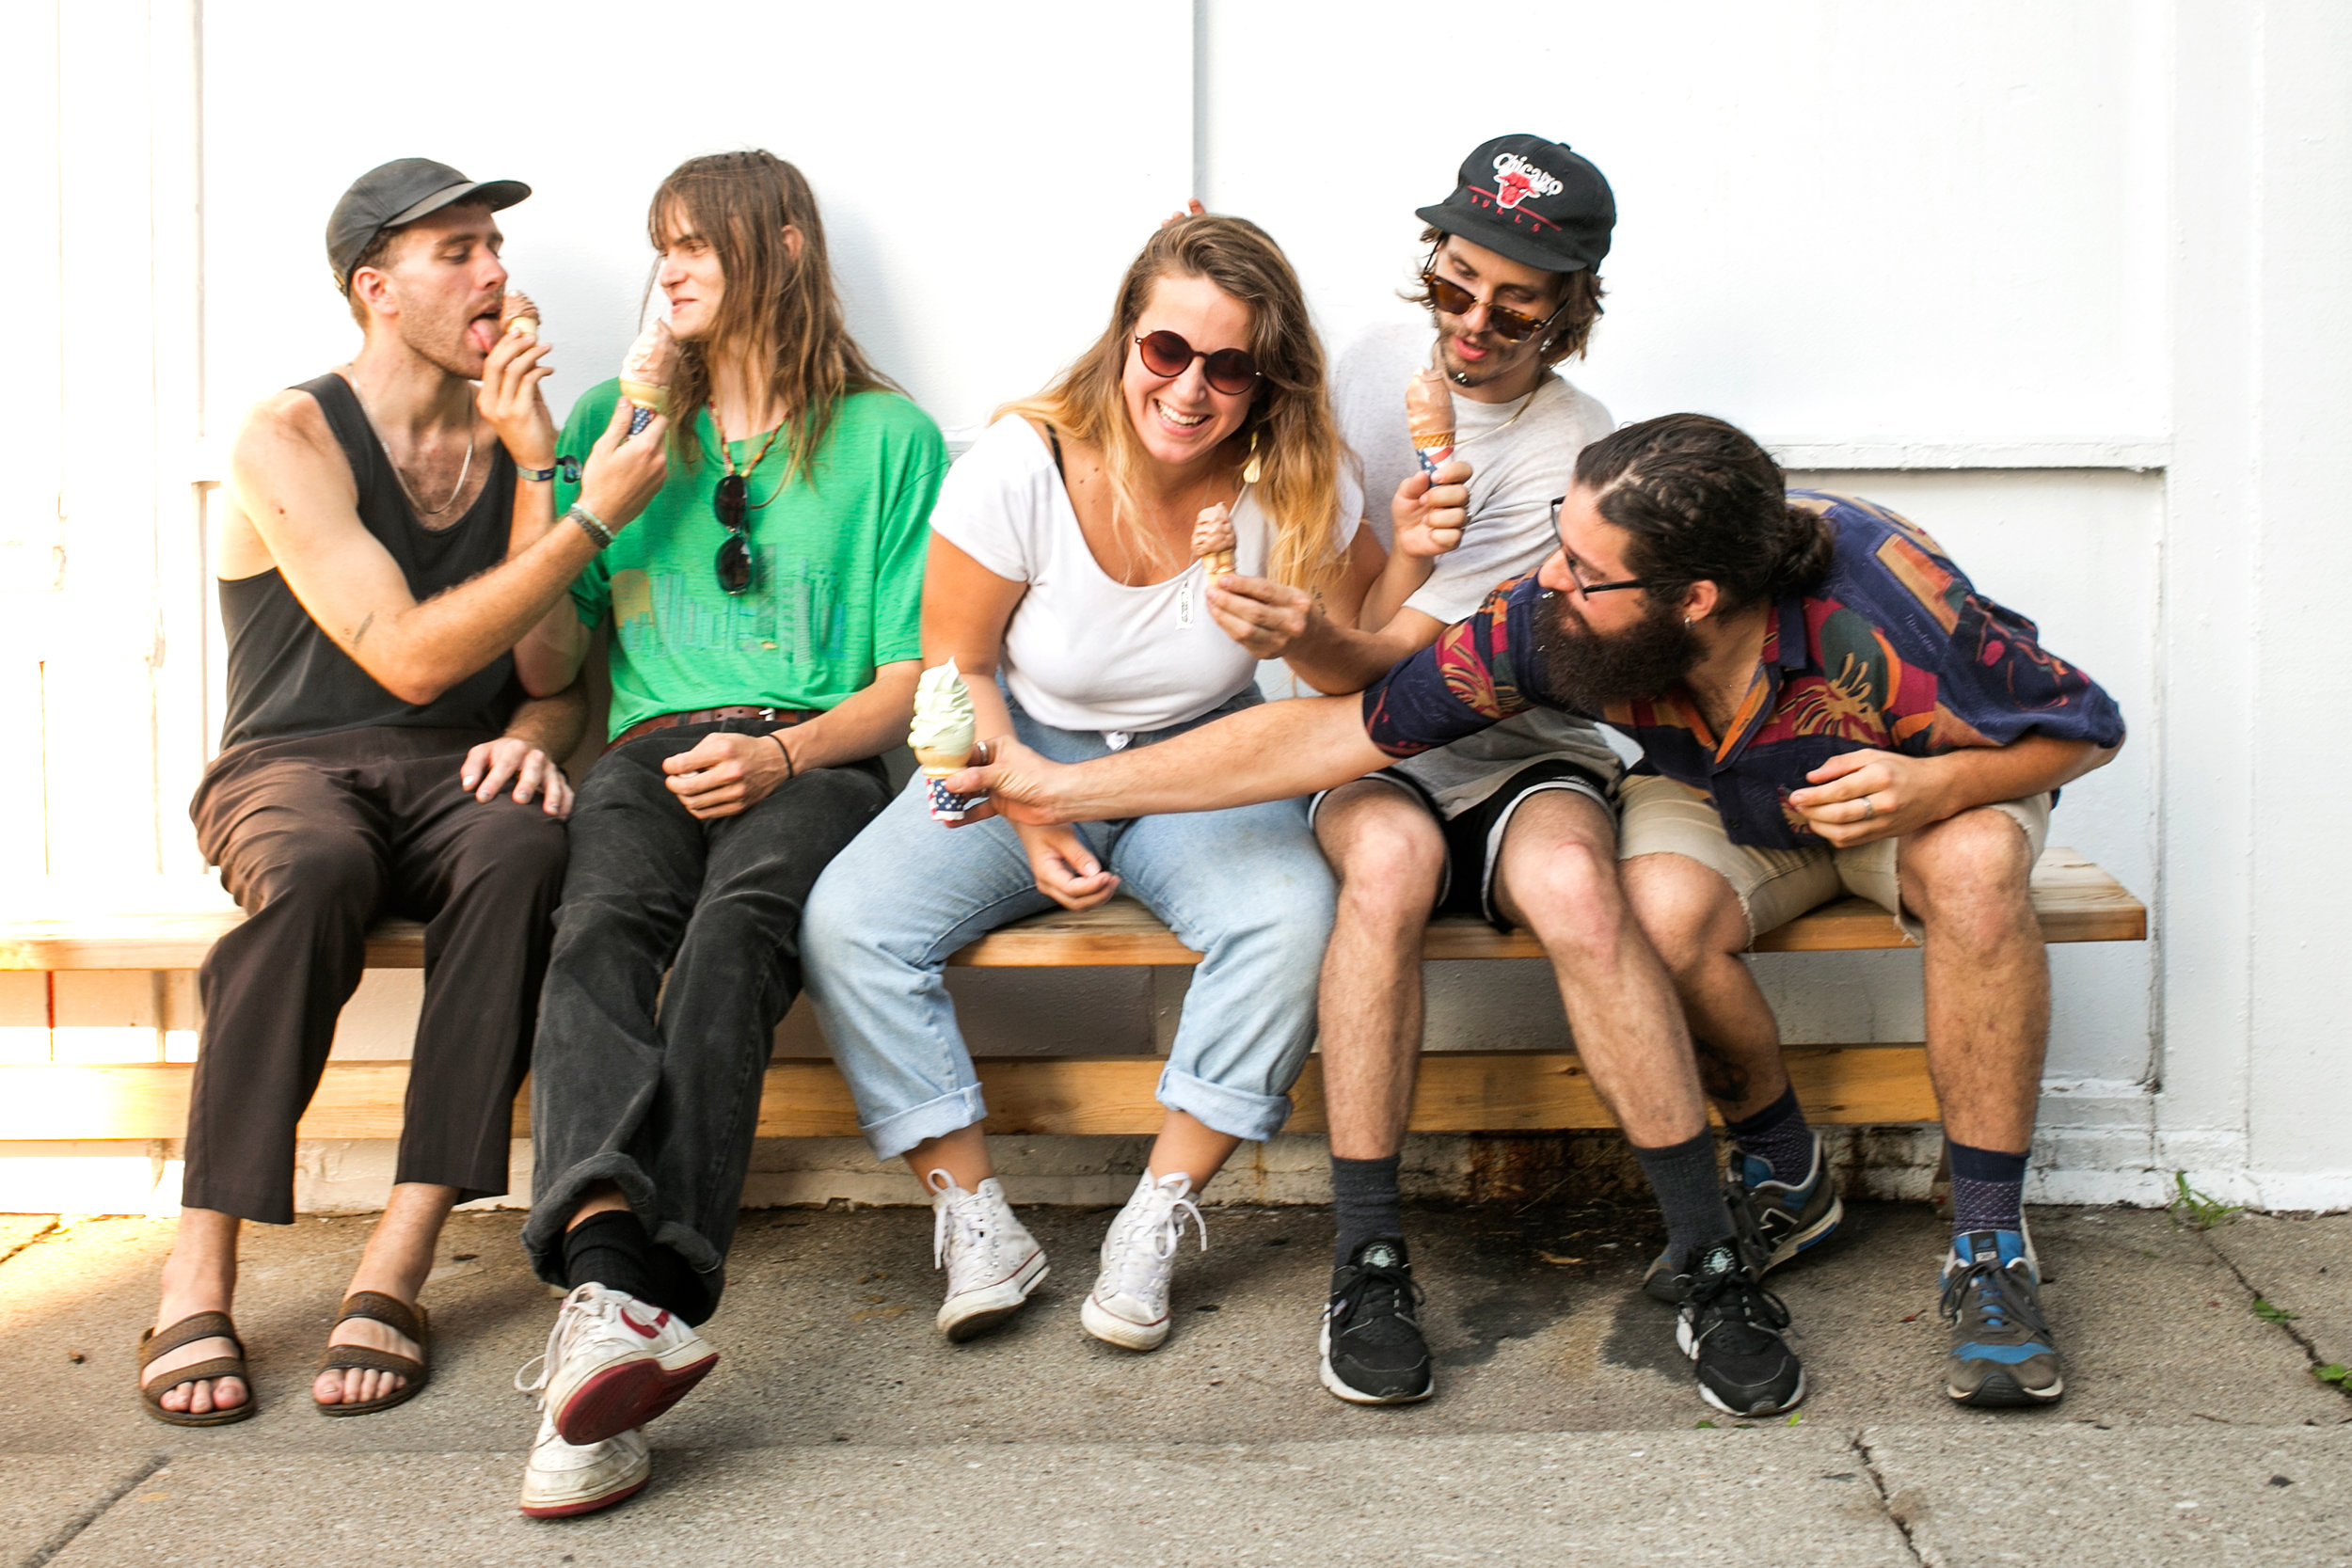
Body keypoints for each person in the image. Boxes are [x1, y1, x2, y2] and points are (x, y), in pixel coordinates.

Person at [955, 412, 2124, 1416]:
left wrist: (1936, 783)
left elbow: (2084, 724)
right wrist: (1054, 784)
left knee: (1977, 865)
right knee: (1656, 906)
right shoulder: (1555, 614)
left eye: (1582, 569)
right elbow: (1339, 730)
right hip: (1723, 795)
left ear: (1695, 598)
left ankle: (1986, 1244)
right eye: (1560, 550)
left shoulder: (1885, 596)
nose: (1545, 582)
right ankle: (1785, 1169)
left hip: (1893, 796)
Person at [140, 158, 671, 1429]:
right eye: (458, 251)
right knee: (312, 874)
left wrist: (541, 469)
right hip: (290, 765)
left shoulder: (516, 445)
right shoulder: (287, 435)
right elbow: (412, 653)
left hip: (458, 770)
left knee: (524, 853)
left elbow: (546, 672)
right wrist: (591, 522)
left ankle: (400, 1254)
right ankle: (198, 1257)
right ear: (376, 288)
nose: (497, 271)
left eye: (496, 245)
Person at [800, 213, 1379, 1361]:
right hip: (1025, 739)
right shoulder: (1027, 461)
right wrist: (1025, 803)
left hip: (1199, 751)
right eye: (1168, 350)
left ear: (1267, 383)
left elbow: (1342, 671)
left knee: (1290, 916)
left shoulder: (1295, 485)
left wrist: (1304, 628)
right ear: (1124, 337)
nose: (1191, 389)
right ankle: (975, 1216)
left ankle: (1156, 1210)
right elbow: (959, 663)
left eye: (1230, 367)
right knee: (848, 923)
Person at [509, 150, 946, 1520]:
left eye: (700, 242)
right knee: (596, 927)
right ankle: (607, 1277)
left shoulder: (885, 438)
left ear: (787, 251)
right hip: (643, 746)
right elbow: (538, 657)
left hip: (812, 748)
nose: (673, 268)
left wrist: (781, 750)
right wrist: (560, 475)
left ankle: (627, 1296)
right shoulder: (612, 416)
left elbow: (907, 679)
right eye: (661, 245)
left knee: (740, 930)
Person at [1205, 134, 1629, 1405]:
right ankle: (1369, 1249)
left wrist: (1357, 589)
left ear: (1570, 310)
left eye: (1516, 304)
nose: (1473, 325)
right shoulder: (1372, 371)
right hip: (1369, 749)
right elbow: (1347, 665)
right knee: (1382, 866)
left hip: (1509, 735)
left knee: (1577, 888)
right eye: (1454, 286)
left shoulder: (1572, 445)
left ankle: (1709, 1225)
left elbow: (1394, 670)